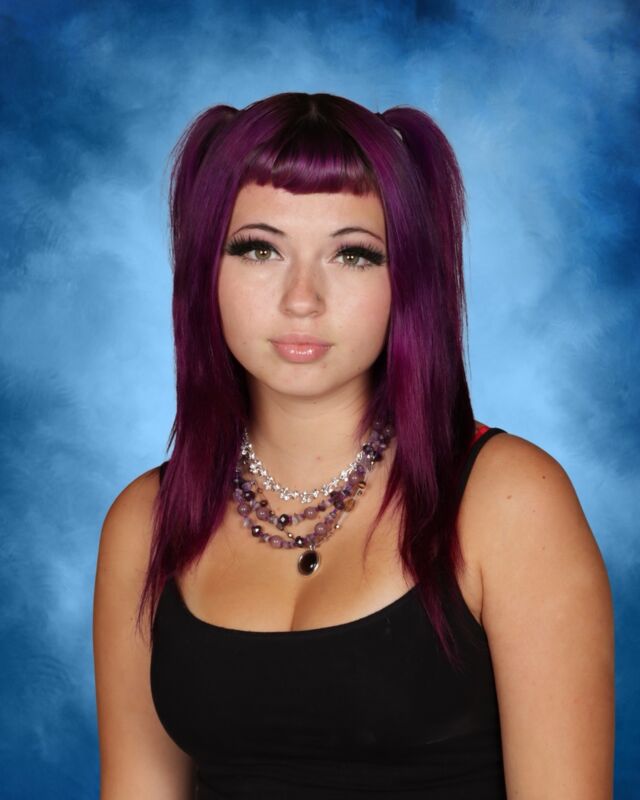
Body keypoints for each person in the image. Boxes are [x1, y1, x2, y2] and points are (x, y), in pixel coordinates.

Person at [93, 92, 614, 799]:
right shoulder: (145, 522)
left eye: (353, 255)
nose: (302, 298)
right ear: (204, 271)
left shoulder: (511, 503)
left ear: (409, 279)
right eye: (259, 248)